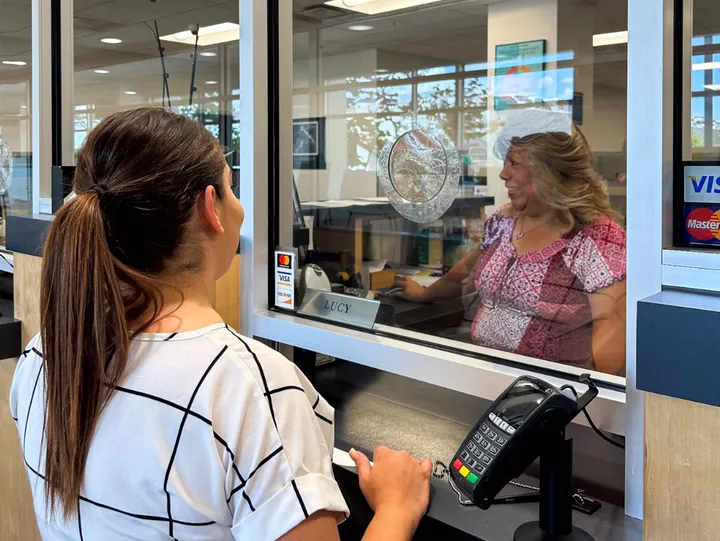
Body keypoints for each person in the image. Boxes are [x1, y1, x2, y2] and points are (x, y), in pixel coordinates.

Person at [9, 108, 432, 540]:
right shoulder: (250, 390)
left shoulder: (46, 355)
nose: (241, 208)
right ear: (210, 208)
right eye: (231, 187)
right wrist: (397, 509)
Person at [395, 111, 627, 375]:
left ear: (550, 171)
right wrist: (424, 294)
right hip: (483, 375)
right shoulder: (503, 221)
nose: (504, 174)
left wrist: (585, 404)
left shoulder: (598, 238)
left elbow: (612, 335)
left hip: (547, 392)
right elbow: (461, 275)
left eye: (514, 163)